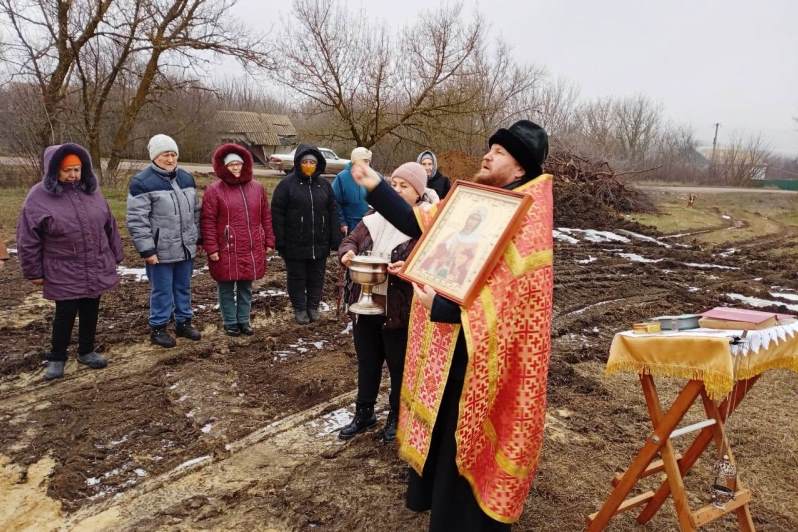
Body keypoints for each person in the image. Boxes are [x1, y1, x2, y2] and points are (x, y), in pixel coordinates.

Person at [352, 120, 553, 531]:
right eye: (490, 147)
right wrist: (373, 184)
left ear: (519, 169)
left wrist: (440, 305)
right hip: (455, 346)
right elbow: (419, 223)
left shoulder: (526, 217)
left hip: (488, 355)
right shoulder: (479, 198)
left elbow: (509, 299)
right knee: (446, 432)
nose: (487, 155)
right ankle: (441, 509)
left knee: (470, 436)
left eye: (499, 152)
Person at [337, 162, 438, 442]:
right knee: (368, 362)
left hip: (399, 309)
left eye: (404, 186)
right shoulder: (372, 217)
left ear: (418, 193)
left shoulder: (424, 223)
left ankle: (396, 416)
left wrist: (409, 265)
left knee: (399, 367)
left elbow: (428, 260)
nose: (396, 190)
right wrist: (347, 253)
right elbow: (351, 241)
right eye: (393, 184)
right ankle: (364, 413)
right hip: (365, 305)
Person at [16, 144, 123, 380]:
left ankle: (86, 351)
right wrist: (33, 271)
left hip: (95, 263)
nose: (73, 175)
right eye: (67, 170)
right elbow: (27, 238)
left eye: (77, 169)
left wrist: (116, 254)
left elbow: (110, 224)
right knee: (65, 314)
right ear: (54, 170)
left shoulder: (91, 191)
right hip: (63, 267)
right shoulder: (38, 197)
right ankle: (57, 357)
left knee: (90, 309)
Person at [127, 134, 202, 347]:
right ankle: (158, 327)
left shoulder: (186, 178)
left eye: (173, 155)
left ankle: (183, 322)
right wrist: (147, 250)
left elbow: (196, 211)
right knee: (162, 289)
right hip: (160, 250)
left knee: (183, 287)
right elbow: (137, 220)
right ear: (154, 157)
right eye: (164, 155)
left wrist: (198, 238)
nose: (170, 160)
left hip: (185, 247)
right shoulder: (142, 182)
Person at [201, 144, 275, 336]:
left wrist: (268, 240)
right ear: (224, 166)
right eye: (231, 164)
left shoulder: (257, 188)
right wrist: (211, 248)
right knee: (226, 286)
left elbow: (265, 216)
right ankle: (230, 322)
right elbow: (207, 221)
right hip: (226, 246)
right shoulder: (214, 190)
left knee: (246, 287)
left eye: (238, 164)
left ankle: (244, 320)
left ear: (245, 164)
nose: (235, 168)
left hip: (251, 246)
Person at [271, 144, 341, 325]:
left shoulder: (324, 185)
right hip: (294, 243)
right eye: (305, 162)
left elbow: (333, 211)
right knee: (297, 277)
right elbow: (277, 213)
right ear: (298, 163)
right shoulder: (287, 185)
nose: (309, 164)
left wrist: (335, 239)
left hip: (319, 242)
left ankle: (313, 307)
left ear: (318, 164)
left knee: (317, 277)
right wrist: (280, 241)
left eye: (312, 162)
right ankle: (300, 309)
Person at [332, 147, 373, 236]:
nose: (365, 164)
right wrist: (342, 223)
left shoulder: (374, 178)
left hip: (370, 225)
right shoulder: (341, 177)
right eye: (362, 161)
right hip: (350, 226)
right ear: (354, 161)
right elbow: (335, 202)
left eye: (367, 161)